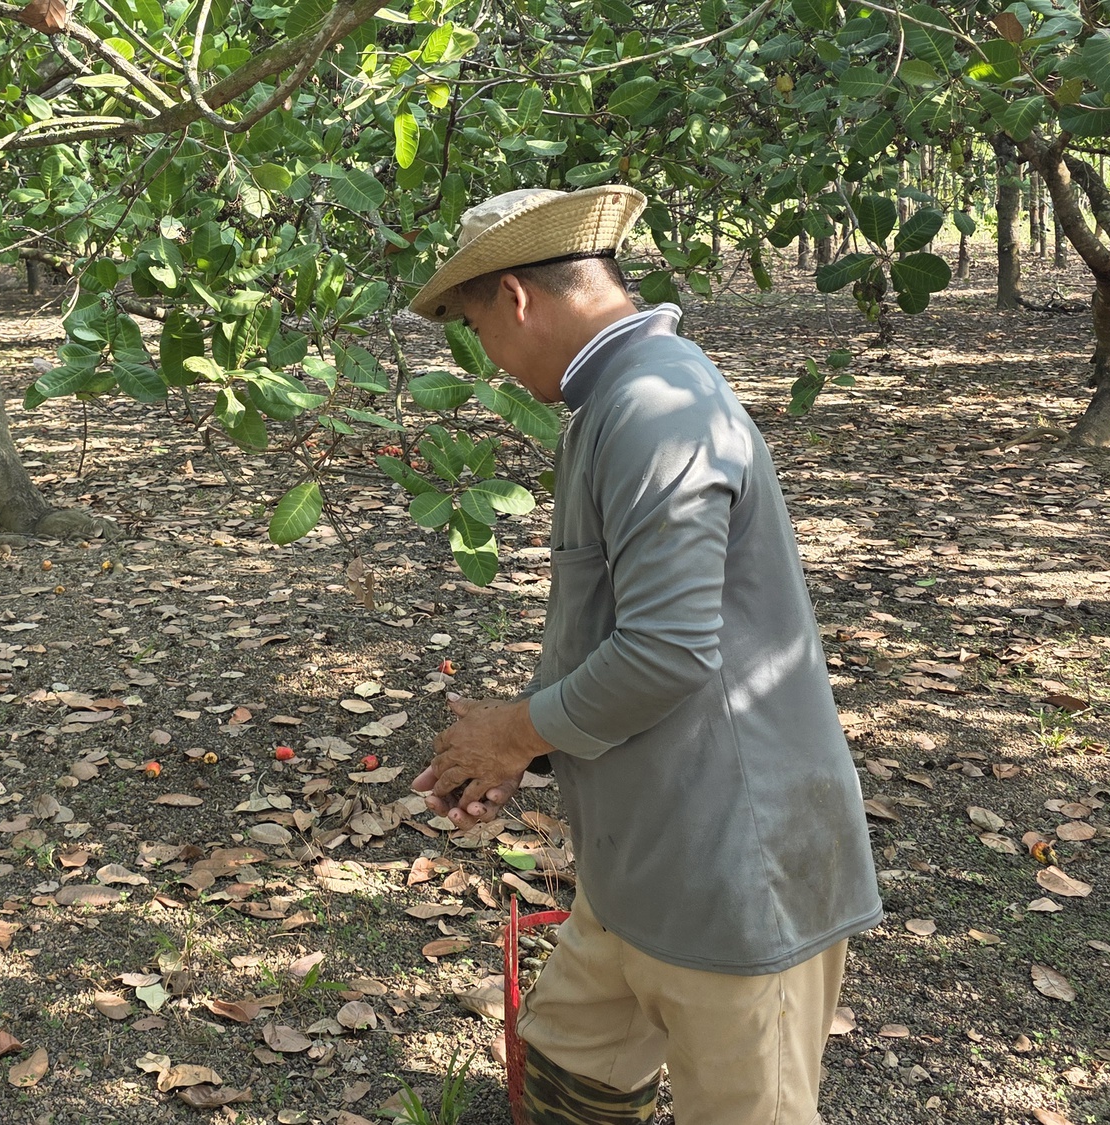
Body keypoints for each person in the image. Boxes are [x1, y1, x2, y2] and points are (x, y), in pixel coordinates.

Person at [405, 185, 883, 1125]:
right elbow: (617, 628)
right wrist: (530, 742)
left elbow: (667, 652)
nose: (490, 363)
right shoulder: (613, 402)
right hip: (643, 869)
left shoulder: (657, 405)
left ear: (517, 297)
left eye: (475, 331)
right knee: (567, 1066)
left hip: (732, 882)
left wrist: (513, 732)